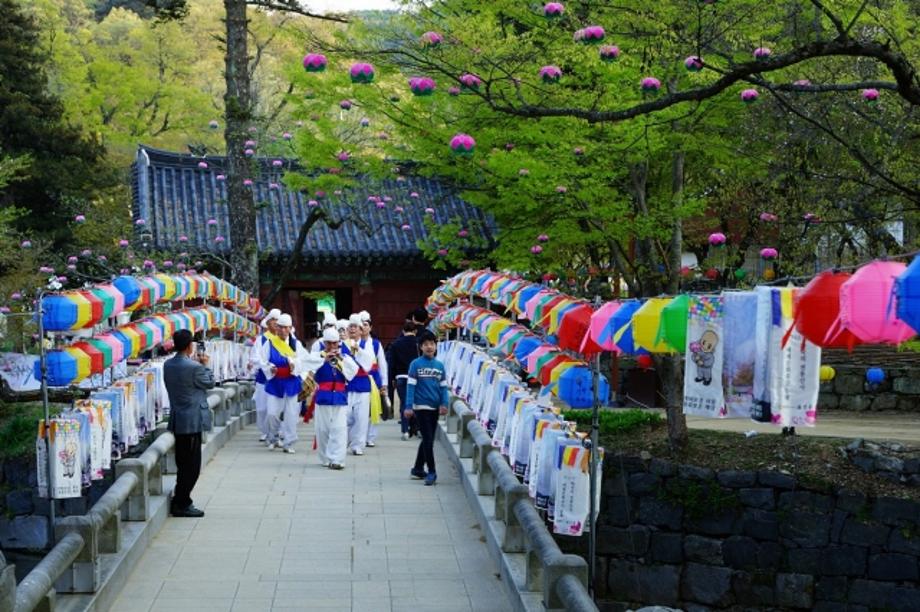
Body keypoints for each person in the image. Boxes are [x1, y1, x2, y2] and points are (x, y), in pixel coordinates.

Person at [164, 329, 215, 517]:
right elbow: (210, 383)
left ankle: (181, 500)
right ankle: (182, 502)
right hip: (193, 420)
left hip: (178, 417)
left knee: (182, 463)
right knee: (192, 467)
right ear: (189, 346)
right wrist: (206, 365)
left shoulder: (168, 365)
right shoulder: (194, 367)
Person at [260, 313, 310, 454]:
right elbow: (263, 361)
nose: (283, 331)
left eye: (286, 328)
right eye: (280, 327)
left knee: (291, 414)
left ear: (290, 328)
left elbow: (304, 360)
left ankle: (289, 442)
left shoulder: (296, 344)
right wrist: (270, 368)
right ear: (277, 328)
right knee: (272, 413)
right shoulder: (269, 343)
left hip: (292, 382)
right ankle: (273, 438)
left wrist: (295, 364)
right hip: (275, 381)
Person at [310, 327, 360, 469]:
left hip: (339, 396)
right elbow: (307, 367)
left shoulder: (344, 357)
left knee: (339, 429)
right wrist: (323, 359)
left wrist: (341, 359)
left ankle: (337, 459)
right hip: (323, 397)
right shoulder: (317, 355)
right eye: (329, 343)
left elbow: (353, 372)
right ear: (324, 343)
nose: (332, 346)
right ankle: (325, 457)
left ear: (339, 343)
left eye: (335, 343)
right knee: (323, 430)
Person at [404, 332, 449, 486]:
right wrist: (408, 406)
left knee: (427, 440)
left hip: (435, 407)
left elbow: (443, 388)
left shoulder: (440, 366)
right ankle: (432, 471)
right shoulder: (415, 364)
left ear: (436, 346)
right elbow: (410, 387)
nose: (429, 347)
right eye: (426, 344)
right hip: (421, 407)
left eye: (432, 344)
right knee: (429, 440)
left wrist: (445, 404)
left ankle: (417, 469)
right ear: (421, 347)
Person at [344, 314, 376, 456]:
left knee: (361, 417)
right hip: (346, 385)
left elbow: (369, 364)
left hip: (362, 384)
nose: (352, 329)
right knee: (346, 416)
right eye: (350, 326)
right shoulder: (342, 345)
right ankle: (346, 440)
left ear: (361, 330)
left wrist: (357, 349)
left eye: (355, 327)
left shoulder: (367, 345)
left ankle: (358, 445)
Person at [250, 308, 281, 444]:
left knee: (276, 409)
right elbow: (254, 357)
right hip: (264, 378)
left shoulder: (285, 339)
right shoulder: (261, 340)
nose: (275, 323)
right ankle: (264, 431)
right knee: (262, 408)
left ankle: (277, 432)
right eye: (273, 321)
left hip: (280, 378)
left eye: (277, 321)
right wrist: (266, 365)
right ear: (267, 323)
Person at [358, 310, 388, 447]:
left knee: (374, 408)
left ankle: (370, 437)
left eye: (365, 325)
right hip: (358, 378)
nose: (363, 328)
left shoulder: (376, 344)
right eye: (360, 325)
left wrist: (384, 383)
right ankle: (359, 435)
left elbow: (382, 364)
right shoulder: (353, 343)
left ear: (370, 327)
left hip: (374, 379)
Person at [386, 321, 420, 440]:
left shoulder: (396, 344)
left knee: (404, 403)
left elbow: (392, 364)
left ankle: (405, 431)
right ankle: (417, 428)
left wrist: (392, 379)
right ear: (415, 331)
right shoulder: (418, 344)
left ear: (403, 331)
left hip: (401, 377)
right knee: (416, 403)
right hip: (416, 376)